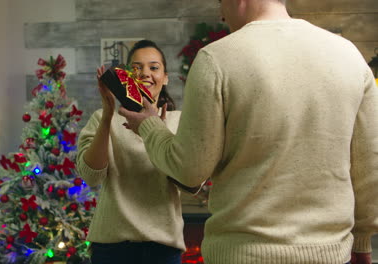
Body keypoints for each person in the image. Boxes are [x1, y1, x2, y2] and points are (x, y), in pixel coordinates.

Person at [118, 0, 378, 263]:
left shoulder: (216, 59)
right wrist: (363, 239)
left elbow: (189, 170)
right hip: (330, 253)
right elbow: (369, 164)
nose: (221, 14)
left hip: (242, 253)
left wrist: (149, 126)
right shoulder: (349, 55)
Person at [76, 40, 185, 264]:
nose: (145, 73)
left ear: (165, 77)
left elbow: (191, 180)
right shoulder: (102, 118)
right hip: (111, 248)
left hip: (163, 247)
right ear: (127, 76)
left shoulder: (180, 122)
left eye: (154, 67)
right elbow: (91, 176)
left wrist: (156, 132)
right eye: (136, 68)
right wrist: (107, 113)